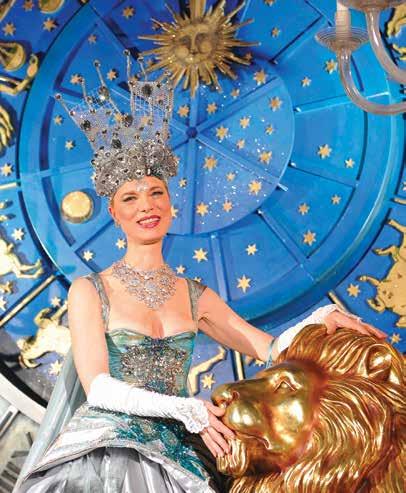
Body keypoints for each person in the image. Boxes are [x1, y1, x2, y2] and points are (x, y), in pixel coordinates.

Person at [13, 54, 386, 493]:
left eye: (156, 193)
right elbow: (98, 388)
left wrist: (318, 319)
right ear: (114, 213)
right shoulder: (90, 290)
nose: (146, 205)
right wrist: (187, 410)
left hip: (175, 458)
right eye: (130, 198)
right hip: (104, 456)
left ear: (171, 205)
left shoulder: (195, 295)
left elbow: (267, 347)